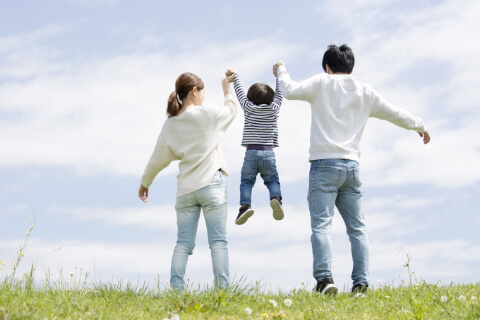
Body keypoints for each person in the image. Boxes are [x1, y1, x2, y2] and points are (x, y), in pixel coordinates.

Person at [272, 44, 431, 295]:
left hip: (324, 165)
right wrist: (419, 125)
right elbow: (394, 113)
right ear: (352, 68)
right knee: (357, 228)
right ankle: (361, 283)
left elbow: (289, 90)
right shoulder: (364, 90)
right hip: (352, 167)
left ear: (327, 67)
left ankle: (325, 280)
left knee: (322, 226)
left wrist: (281, 70)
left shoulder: (321, 83)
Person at [138, 71, 237, 291]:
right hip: (211, 183)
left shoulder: (170, 125)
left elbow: (157, 158)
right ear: (194, 91)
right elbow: (231, 111)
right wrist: (226, 87)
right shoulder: (206, 114)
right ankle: (222, 290)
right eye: (202, 92)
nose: (203, 96)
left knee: (183, 244)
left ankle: (176, 289)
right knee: (218, 242)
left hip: (186, 190)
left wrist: (146, 183)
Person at [228, 70, 284, 225]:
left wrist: (235, 78)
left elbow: (239, 94)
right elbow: (280, 94)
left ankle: (245, 206)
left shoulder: (248, 108)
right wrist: (279, 77)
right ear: (271, 98)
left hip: (251, 153)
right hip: (268, 153)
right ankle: (276, 198)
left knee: (246, 181)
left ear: (251, 97)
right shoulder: (274, 109)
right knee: (272, 180)